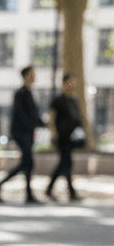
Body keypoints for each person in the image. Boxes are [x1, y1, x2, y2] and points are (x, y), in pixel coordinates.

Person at [0, 65, 46, 203]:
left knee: (27, 163)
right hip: (22, 133)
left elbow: (33, 116)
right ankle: (0, 186)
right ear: (26, 76)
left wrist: (43, 124)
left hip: (28, 133)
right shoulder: (21, 93)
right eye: (32, 74)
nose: (34, 76)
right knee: (27, 163)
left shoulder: (28, 92)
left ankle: (26, 194)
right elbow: (22, 116)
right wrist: (35, 124)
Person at [46, 72, 83, 201]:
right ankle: (70, 192)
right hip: (61, 138)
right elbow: (51, 119)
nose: (72, 85)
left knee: (65, 163)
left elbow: (78, 120)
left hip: (71, 138)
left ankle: (51, 189)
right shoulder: (57, 100)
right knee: (66, 162)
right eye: (70, 82)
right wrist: (53, 134)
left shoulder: (74, 100)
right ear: (64, 84)